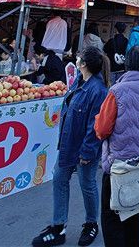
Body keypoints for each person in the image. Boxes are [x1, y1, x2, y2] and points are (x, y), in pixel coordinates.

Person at [32, 46, 108, 247]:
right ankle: (58, 227)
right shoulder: (79, 81)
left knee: (87, 184)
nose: (76, 58)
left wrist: (87, 152)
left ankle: (91, 224)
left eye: (79, 57)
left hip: (85, 148)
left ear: (84, 64)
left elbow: (95, 125)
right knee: (59, 179)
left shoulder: (98, 90)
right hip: (68, 143)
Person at [94, 45, 139, 247]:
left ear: (126, 65)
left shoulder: (116, 91)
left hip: (117, 165)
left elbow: (102, 129)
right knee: (134, 213)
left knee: (112, 216)